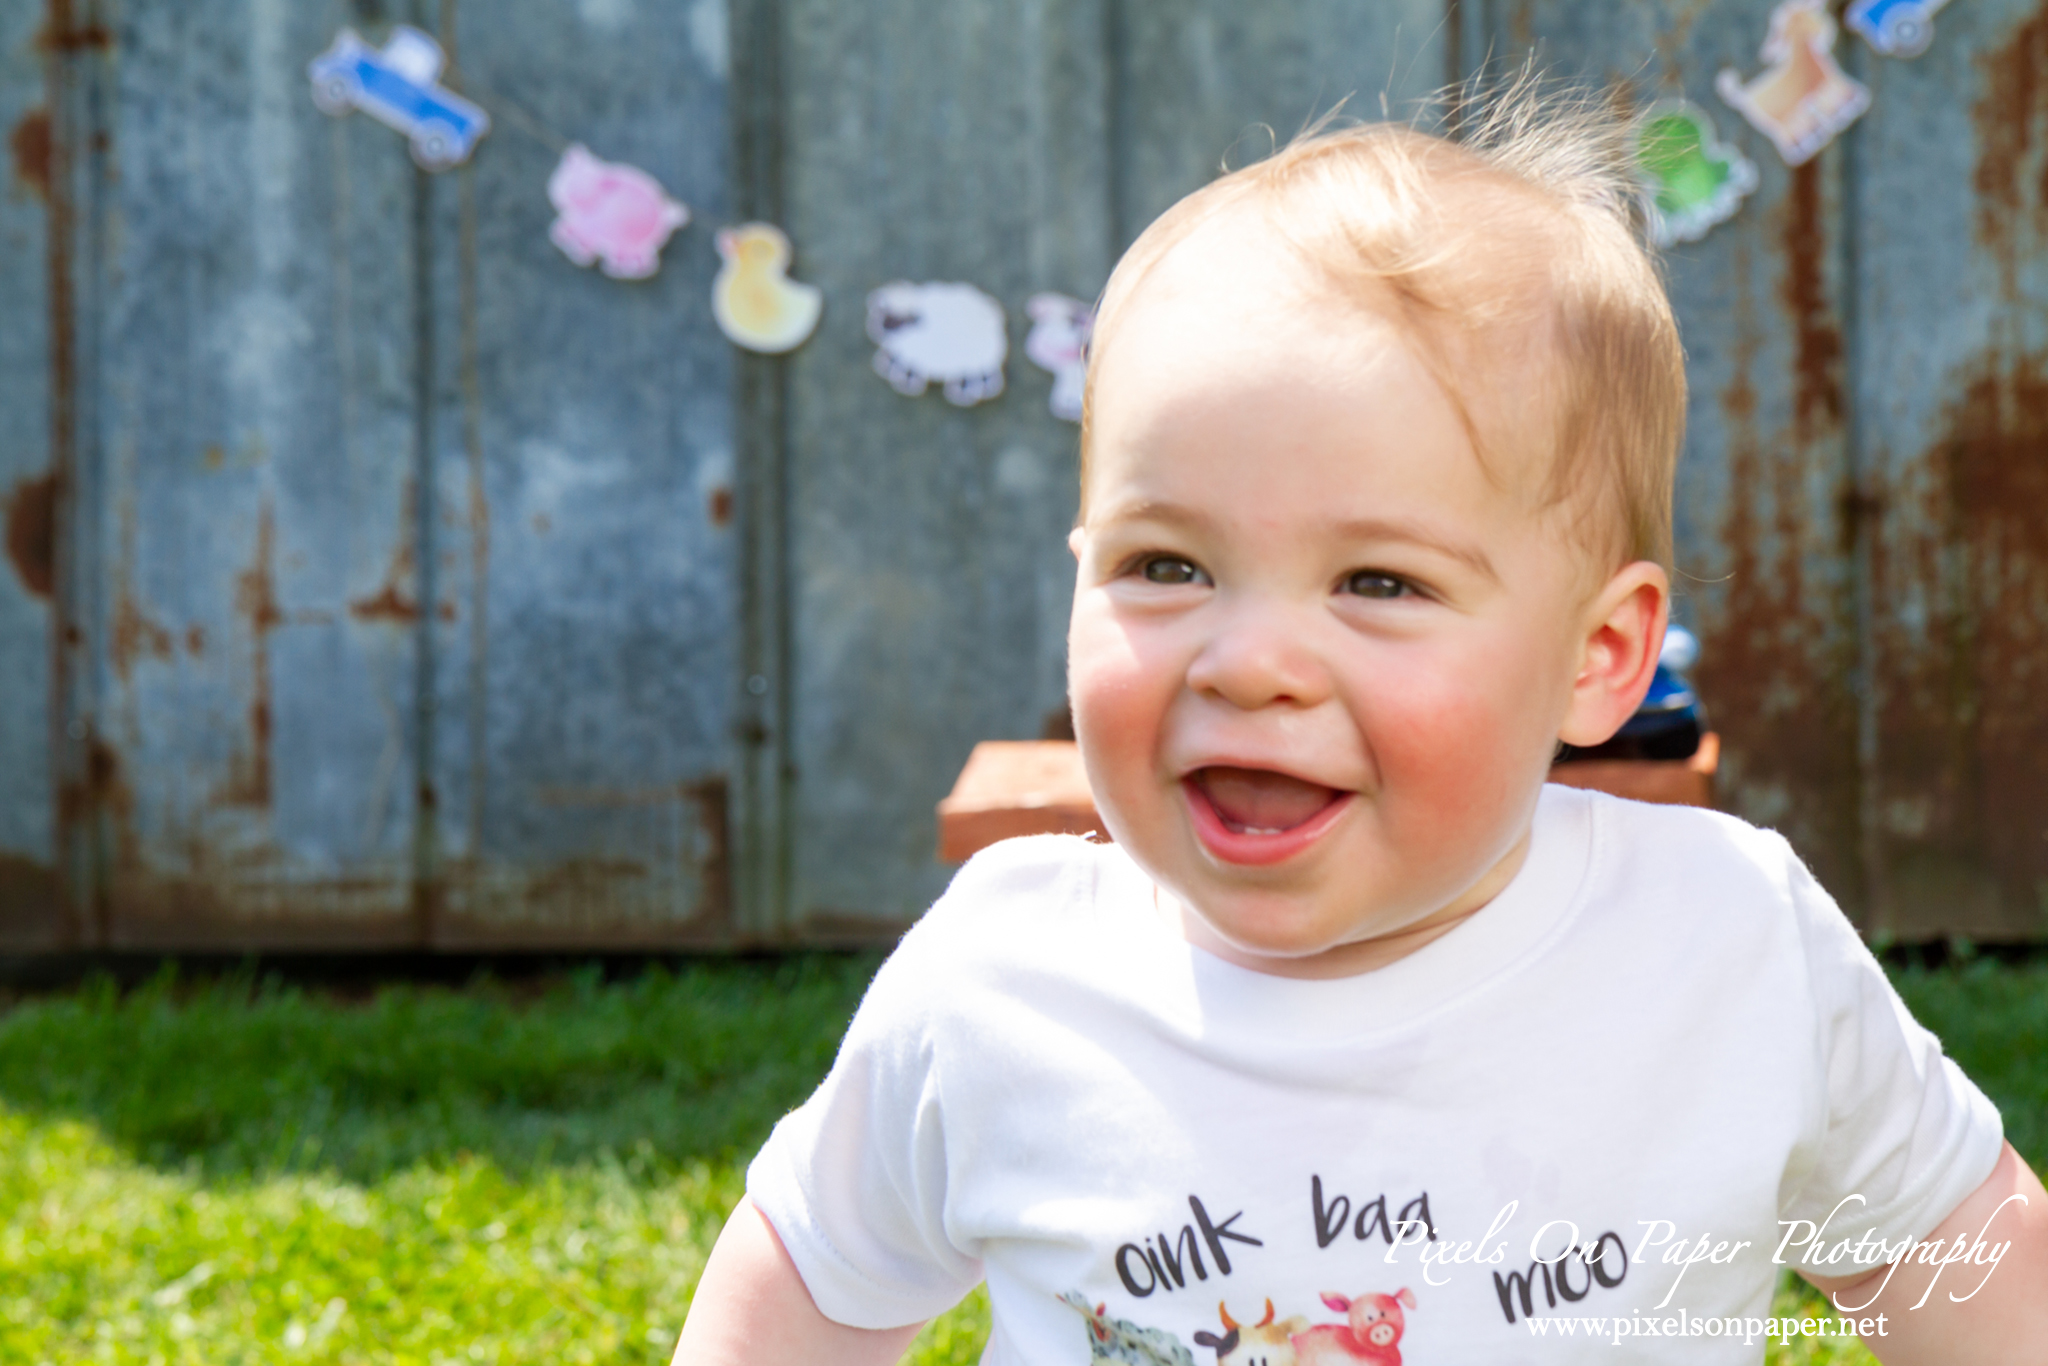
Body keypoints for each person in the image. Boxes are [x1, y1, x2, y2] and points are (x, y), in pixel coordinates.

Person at [676, 86, 2047, 1364]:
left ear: (1599, 654)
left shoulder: (1727, 944)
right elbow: (804, 1280)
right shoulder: (1005, 975)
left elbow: (1972, 1257)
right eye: (1167, 565)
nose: (1254, 659)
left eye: (1378, 582)